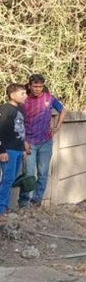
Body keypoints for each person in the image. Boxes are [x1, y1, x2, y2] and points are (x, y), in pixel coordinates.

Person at [19, 74, 66, 208]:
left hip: (45, 141)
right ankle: (23, 202)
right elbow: (17, 120)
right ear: (29, 86)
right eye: (35, 86)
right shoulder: (24, 100)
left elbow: (63, 110)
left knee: (43, 172)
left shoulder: (49, 98)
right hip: (29, 142)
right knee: (28, 173)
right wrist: (23, 140)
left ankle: (37, 201)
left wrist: (57, 126)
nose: (38, 89)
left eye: (40, 86)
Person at [0, 83, 30, 217]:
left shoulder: (20, 109)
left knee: (11, 180)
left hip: (18, 150)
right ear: (12, 95)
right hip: (8, 151)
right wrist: (2, 151)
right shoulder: (5, 109)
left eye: (25, 93)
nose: (25, 96)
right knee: (7, 180)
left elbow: (21, 131)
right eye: (22, 93)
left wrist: (23, 147)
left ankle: (5, 207)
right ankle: (1, 210)